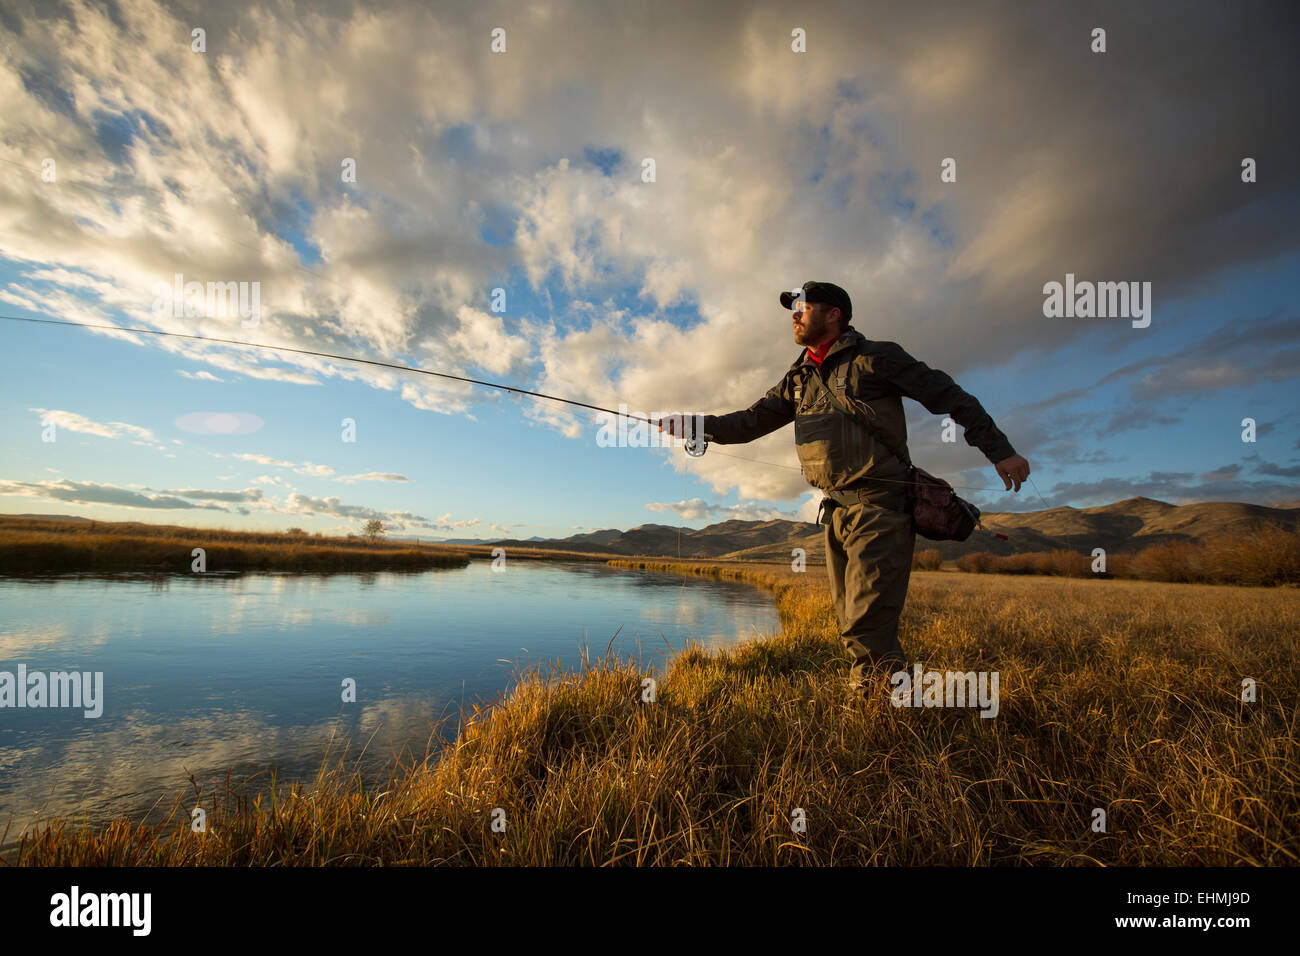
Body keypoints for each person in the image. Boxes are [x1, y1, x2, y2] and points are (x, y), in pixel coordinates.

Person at [659, 281, 1030, 699]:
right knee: (850, 619)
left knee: (865, 624)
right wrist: (697, 425)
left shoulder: (877, 358)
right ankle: (895, 700)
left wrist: (1001, 451)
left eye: (803, 306)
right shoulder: (798, 378)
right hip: (834, 514)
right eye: (792, 309)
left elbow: (951, 397)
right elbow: (749, 422)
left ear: (834, 313)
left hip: (881, 509)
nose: (794, 315)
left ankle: (874, 716)